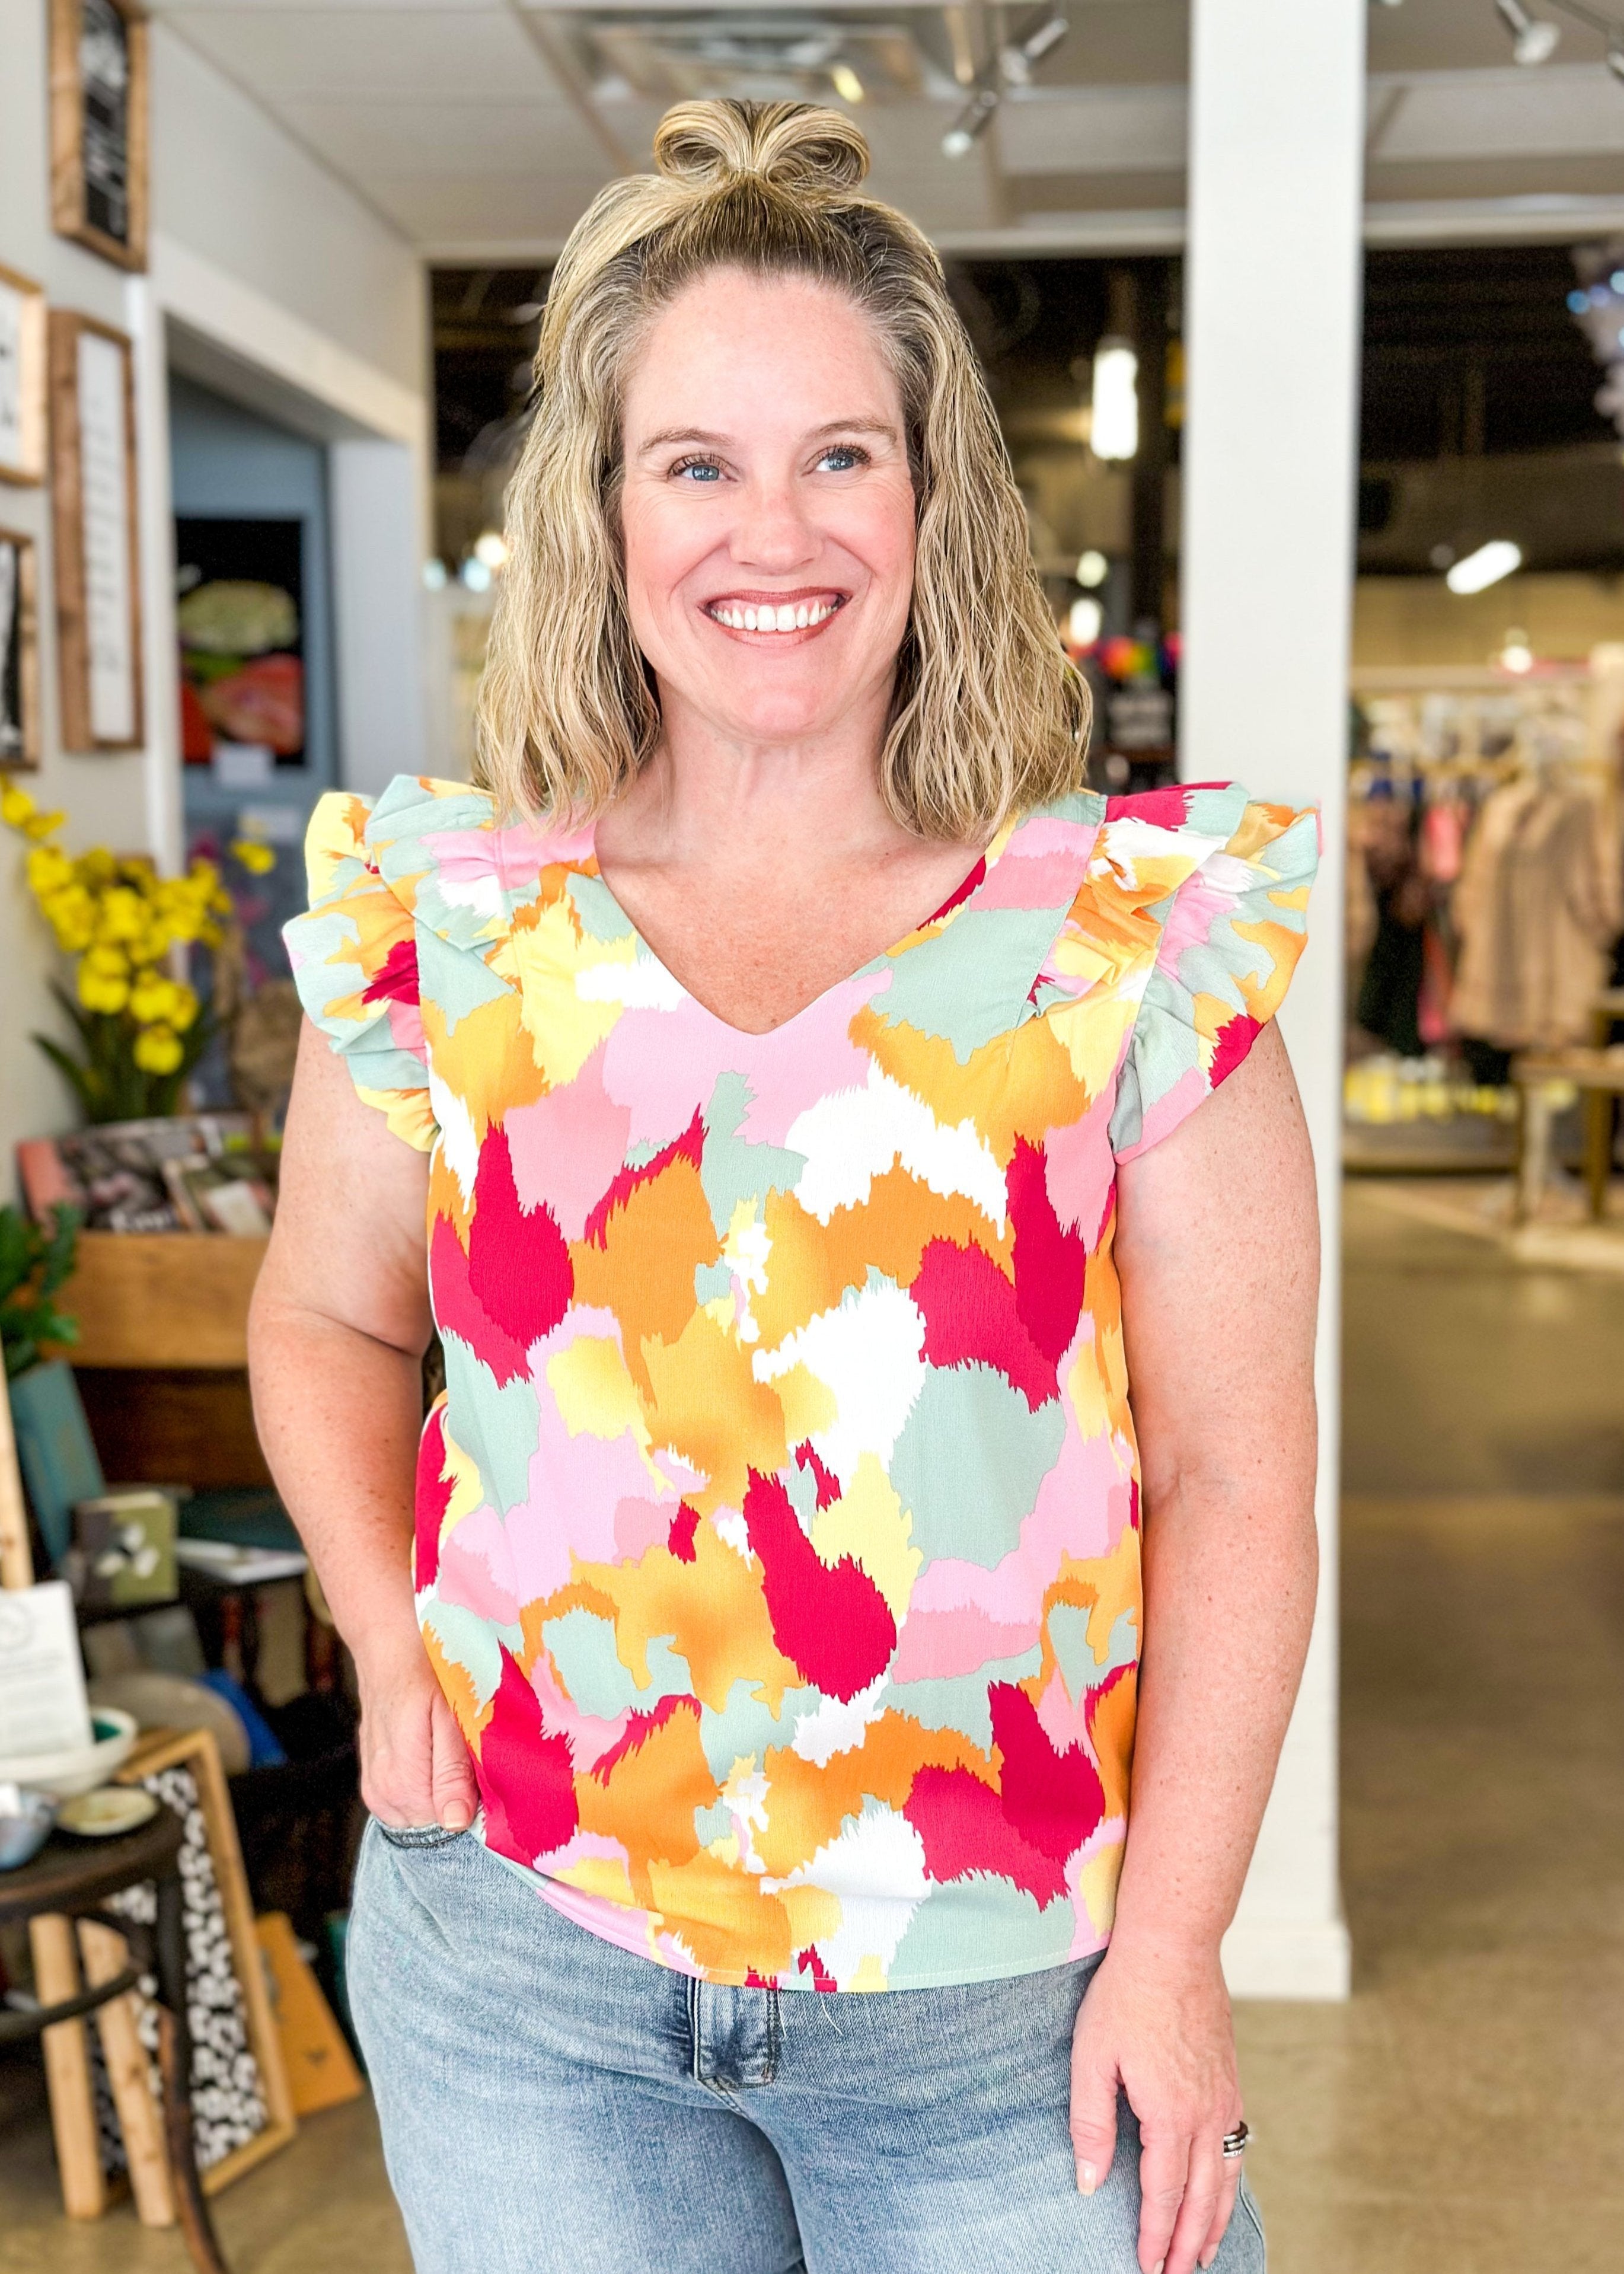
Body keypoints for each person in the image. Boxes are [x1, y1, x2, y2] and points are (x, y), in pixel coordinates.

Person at [251, 97, 1320, 2274]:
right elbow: (327, 1313)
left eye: (841, 452)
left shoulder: (1120, 932)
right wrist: (385, 1631)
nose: (777, 527)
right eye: (697, 463)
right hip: (524, 1967)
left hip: (1003, 2000)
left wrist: (1182, 1943)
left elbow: (1235, 1479)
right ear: (606, 515)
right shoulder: (446, 922)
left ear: (933, 504)